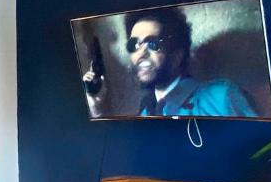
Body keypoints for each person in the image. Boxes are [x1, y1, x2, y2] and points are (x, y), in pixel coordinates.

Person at [83, 8, 257, 118]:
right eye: (133, 44)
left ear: (177, 56)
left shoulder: (221, 96)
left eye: (153, 44)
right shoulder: (145, 110)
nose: (140, 54)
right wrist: (96, 108)